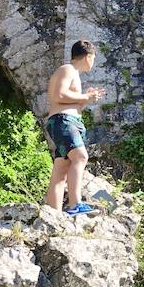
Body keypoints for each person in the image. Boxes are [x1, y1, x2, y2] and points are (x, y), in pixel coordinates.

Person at [43, 40, 105, 214]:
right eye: (93, 58)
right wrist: (84, 96)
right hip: (64, 121)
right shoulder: (67, 69)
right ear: (88, 56)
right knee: (80, 157)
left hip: (67, 121)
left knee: (61, 170)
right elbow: (59, 95)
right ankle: (74, 204)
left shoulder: (73, 73)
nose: (93, 62)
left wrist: (87, 98)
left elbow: (72, 103)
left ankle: (53, 214)